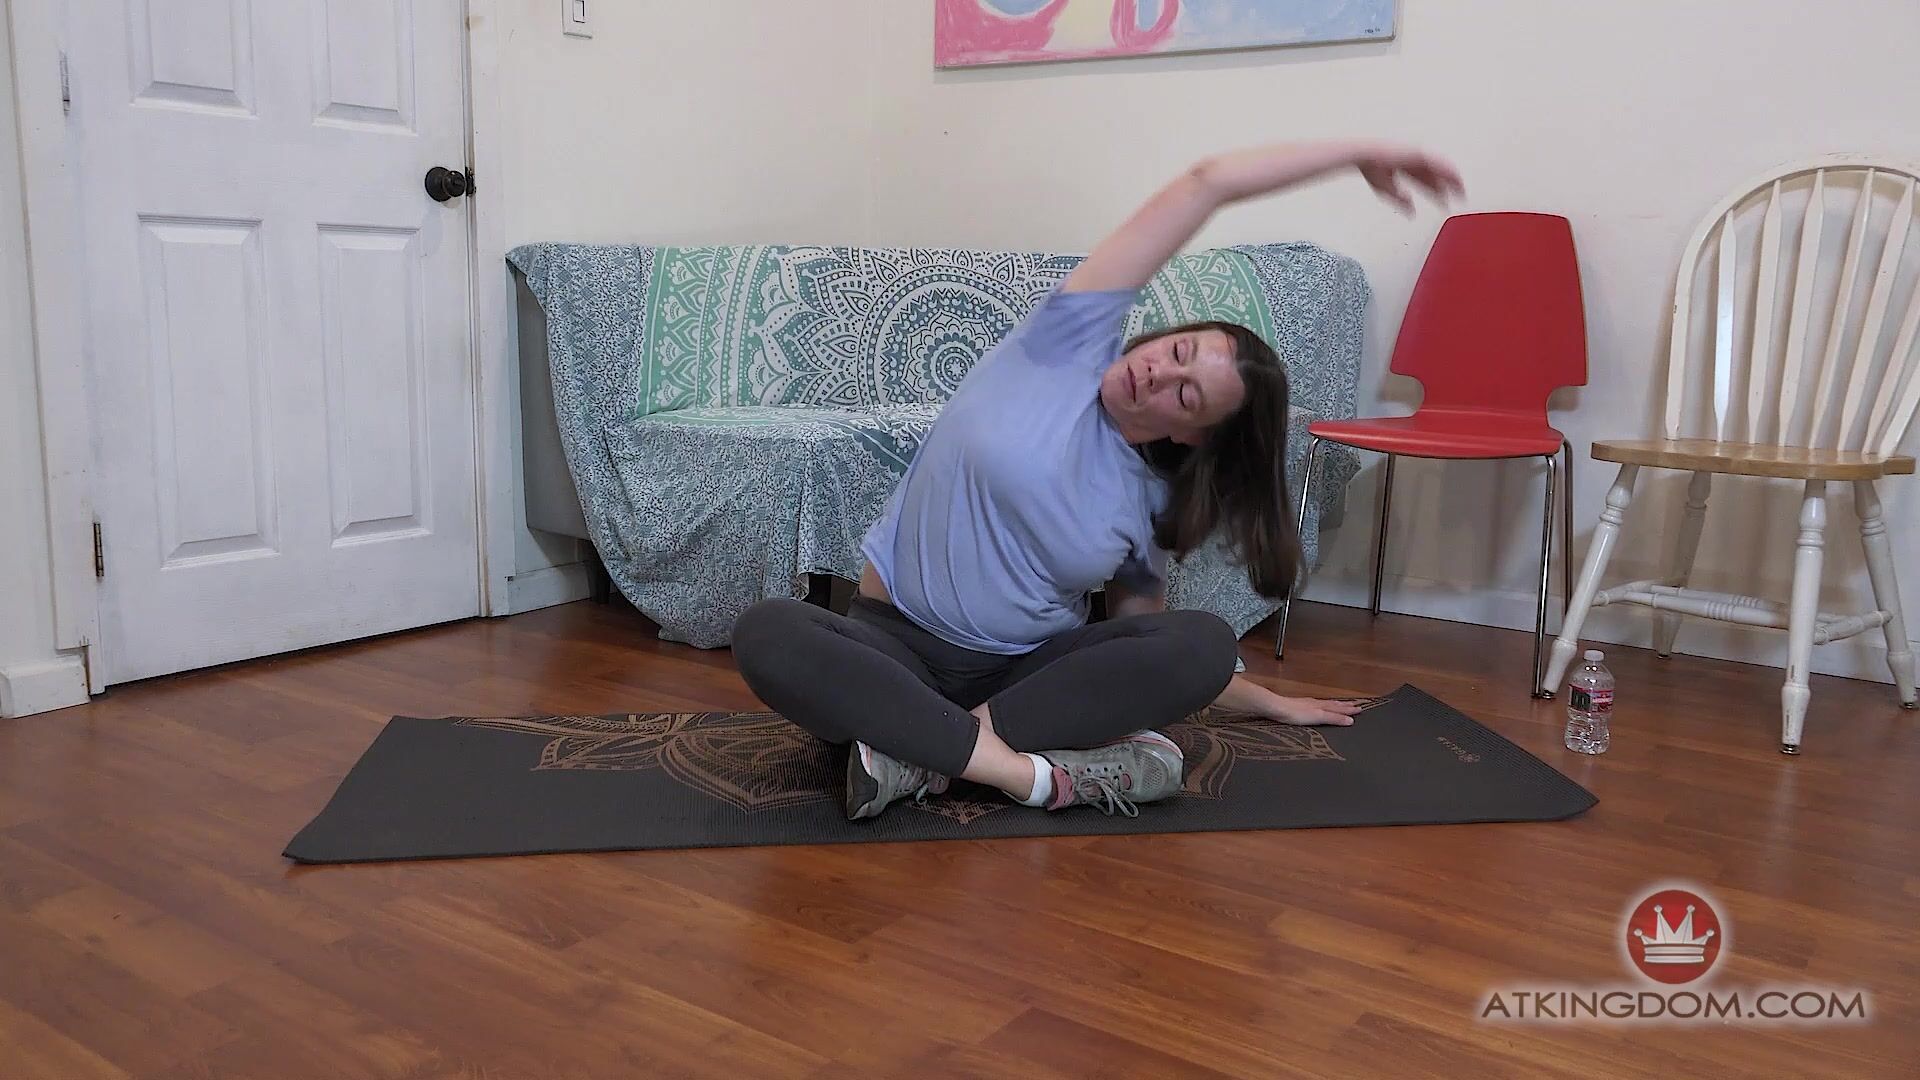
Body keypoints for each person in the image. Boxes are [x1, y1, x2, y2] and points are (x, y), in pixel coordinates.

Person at [734, 139, 1463, 819]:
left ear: (1193, 435)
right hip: (893, 648)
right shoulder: (1059, 347)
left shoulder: (1149, 501)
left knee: (1205, 643)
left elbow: (1136, 647)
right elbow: (1205, 183)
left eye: (1186, 394)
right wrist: (1356, 151)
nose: (1159, 372)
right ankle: (1020, 773)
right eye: (1179, 352)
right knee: (770, 632)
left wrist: (1264, 701)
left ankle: (918, 753)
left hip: (1022, 682)